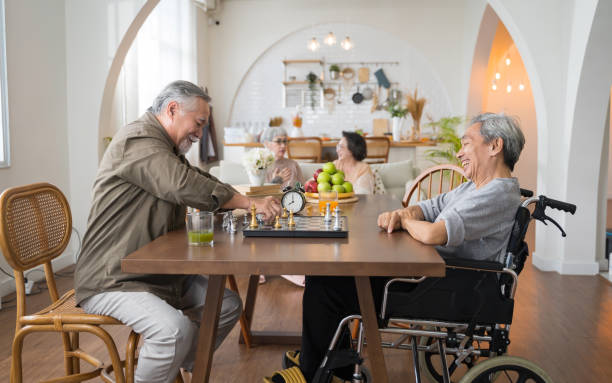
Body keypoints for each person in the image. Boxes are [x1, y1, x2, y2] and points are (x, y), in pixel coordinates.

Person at [265, 113, 525, 383]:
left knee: (325, 285)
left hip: (447, 288)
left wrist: (405, 218)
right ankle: (325, 362)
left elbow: (435, 232)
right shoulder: (474, 188)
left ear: (495, 146)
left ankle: (312, 372)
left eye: (466, 144)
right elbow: (427, 208)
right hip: (437, 278)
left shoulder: (496, 193)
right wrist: (409, 215)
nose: (459, 153)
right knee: (329, 277)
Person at [74, 80, 281, 383]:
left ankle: (173, 365)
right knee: (173, 331)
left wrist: (246, 201)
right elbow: (182, 185)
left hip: (155, 273)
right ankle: (168, 358)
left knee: (226, 306)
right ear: (172, 109)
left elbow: (195, 177)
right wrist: (249, 203)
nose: (200, 133)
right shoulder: (139, 141)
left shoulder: (163, 146)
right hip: (113, 277)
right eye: (198, 123)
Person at [260, 126, 306, 287]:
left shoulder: (293, 164)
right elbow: (258, 196)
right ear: (267, 144)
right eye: (278, 141)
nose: (283, 145)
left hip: (292, 212)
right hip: (268, 214)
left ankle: (269, 266)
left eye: (285, 141)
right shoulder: (262, 166)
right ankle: (278, 268)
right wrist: (275, 182)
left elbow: (302, 190)